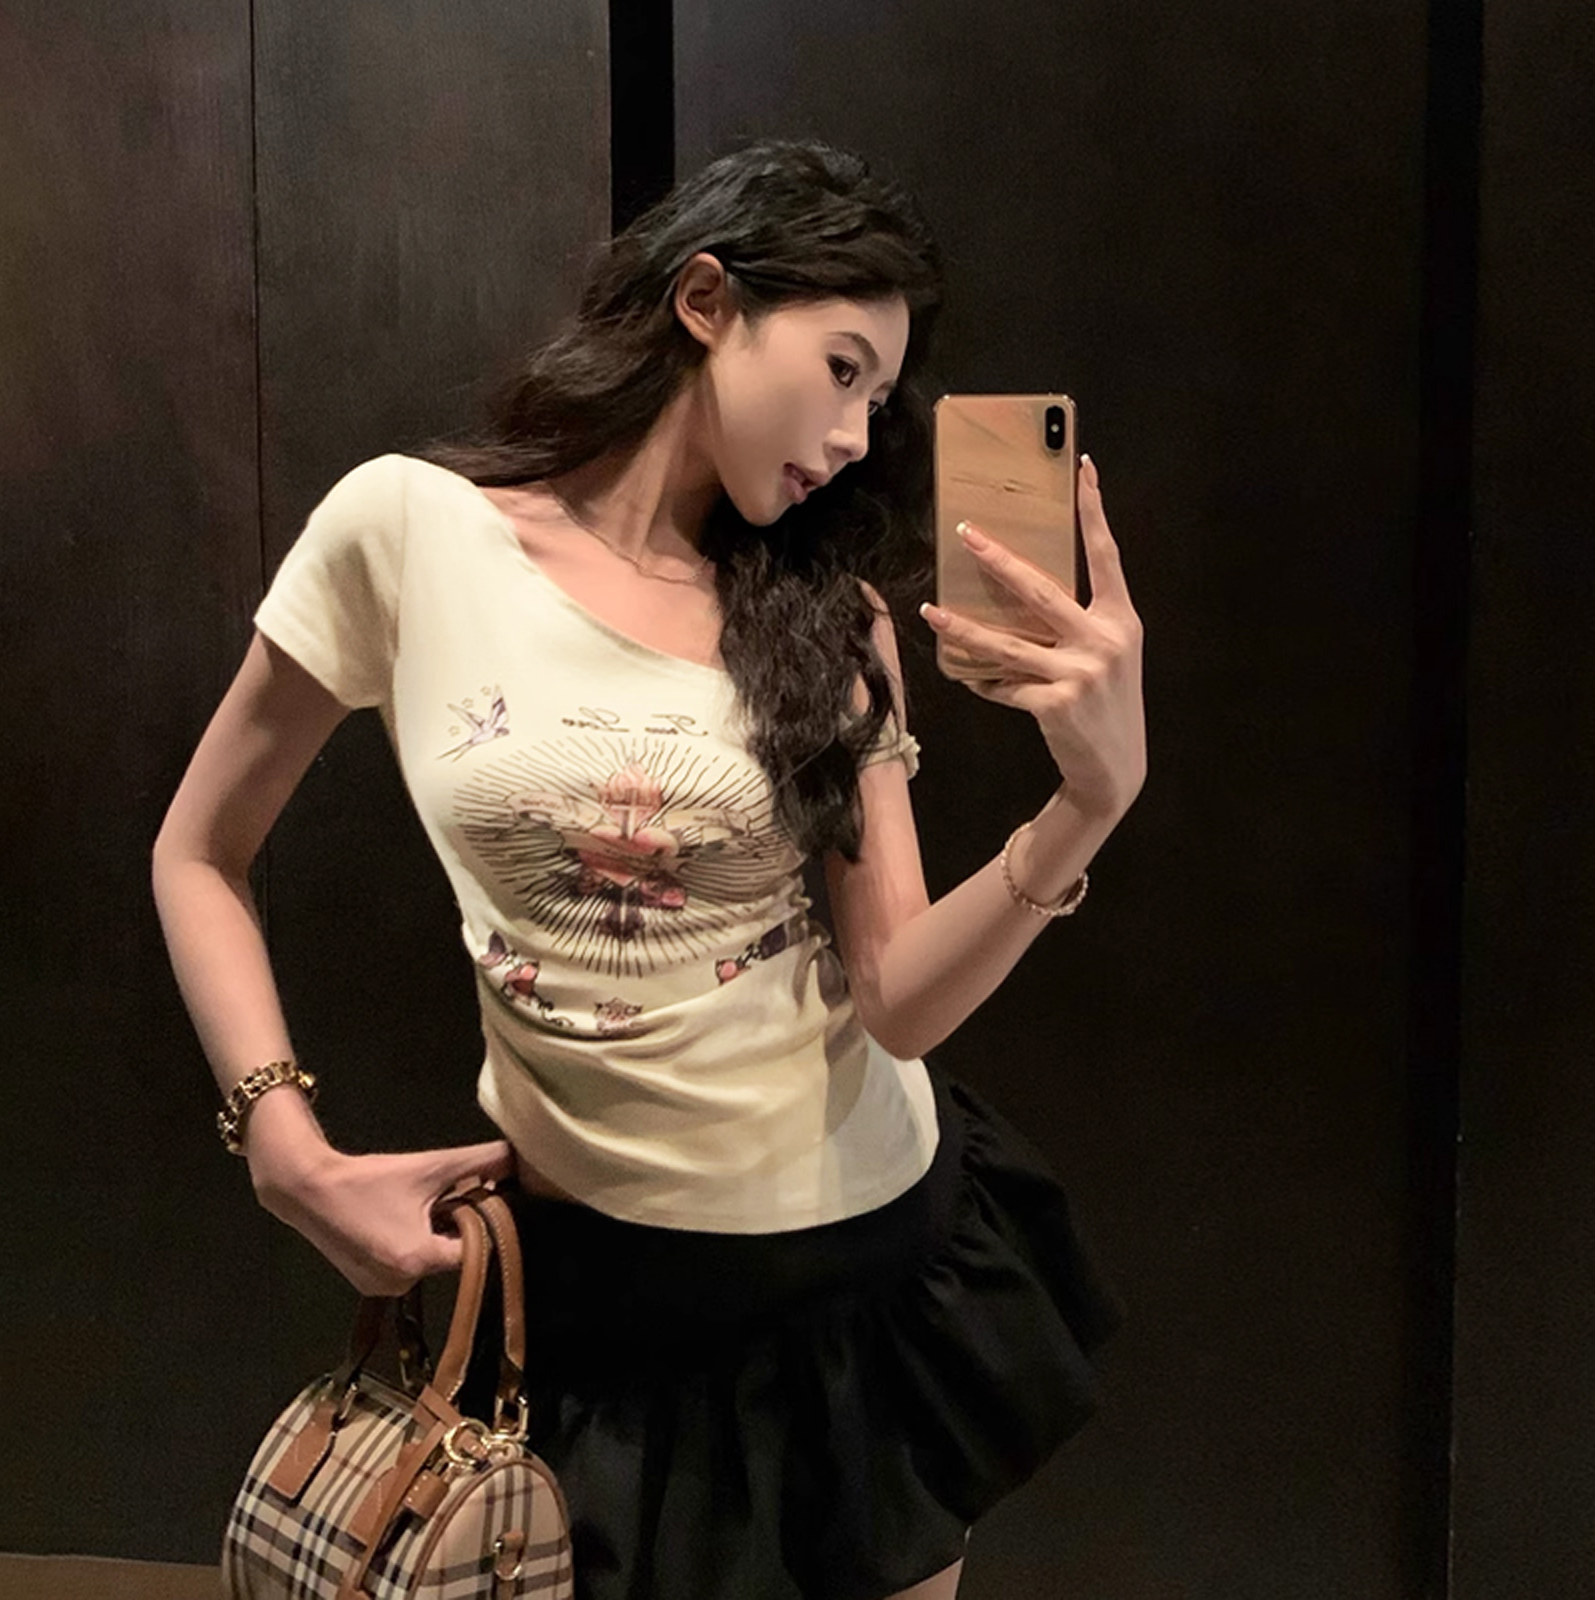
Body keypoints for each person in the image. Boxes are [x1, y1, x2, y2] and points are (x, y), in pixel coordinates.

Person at [152, 137, 1146, 1600]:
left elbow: (898, 1000)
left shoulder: (832, 614)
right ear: (706, 299)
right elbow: (199, 851)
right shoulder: (410, 531)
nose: (856, 436)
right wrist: (282, 1147)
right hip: (587, 1306)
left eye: (882, 399)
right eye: (843, 369)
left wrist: (1090, 801)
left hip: (861, 1283)